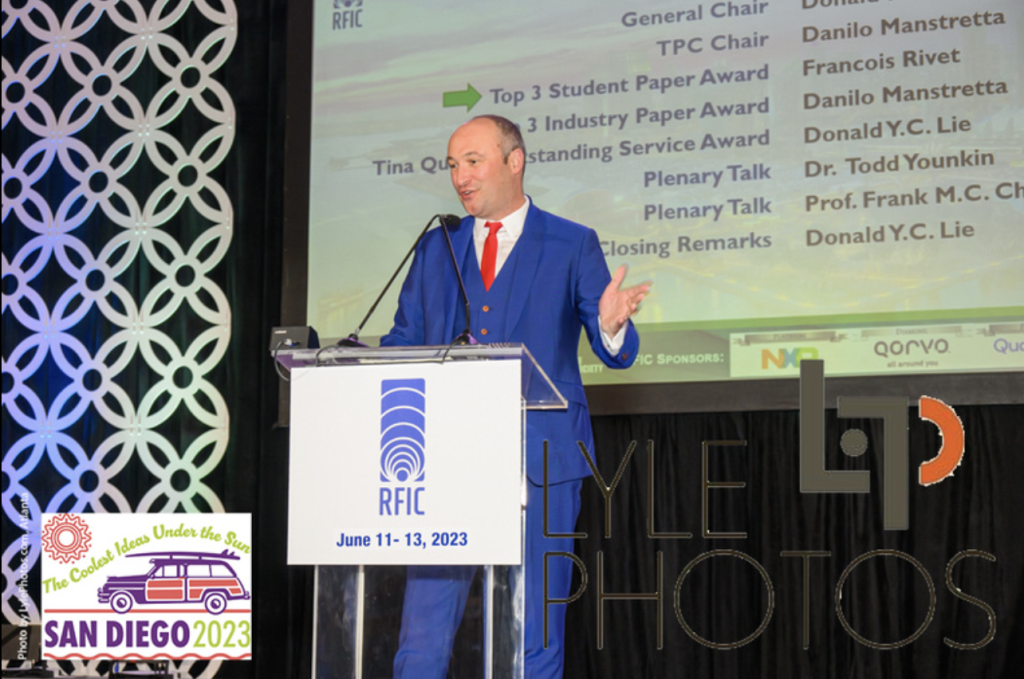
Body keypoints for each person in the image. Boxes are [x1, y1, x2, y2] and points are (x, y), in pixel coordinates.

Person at [381, 114, 648, 679]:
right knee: (422, 636)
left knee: (535, 633)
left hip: (543, 461)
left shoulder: (572, 242)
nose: (460, 177)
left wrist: (611, 326)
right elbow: (402, 343)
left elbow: (616, 352)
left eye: (472, 161)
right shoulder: (436, 247)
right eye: (452, 165)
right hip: (445, 463)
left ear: (514, 160)